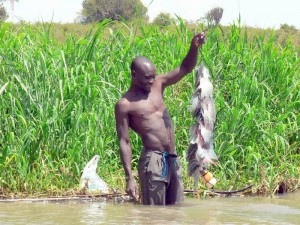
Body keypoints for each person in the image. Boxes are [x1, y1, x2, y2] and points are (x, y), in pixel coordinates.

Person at [115, 32, 206, 205]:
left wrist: (193, 47)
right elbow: (124, 142)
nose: (151, 81)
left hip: (172, 158)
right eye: (147, 78)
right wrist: (129, 178)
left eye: (153, 76)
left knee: (176, 212)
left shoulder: (158, 84)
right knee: (154, 215)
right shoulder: (125, 104)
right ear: (134, 75)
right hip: (153, 161)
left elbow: (184, 68)